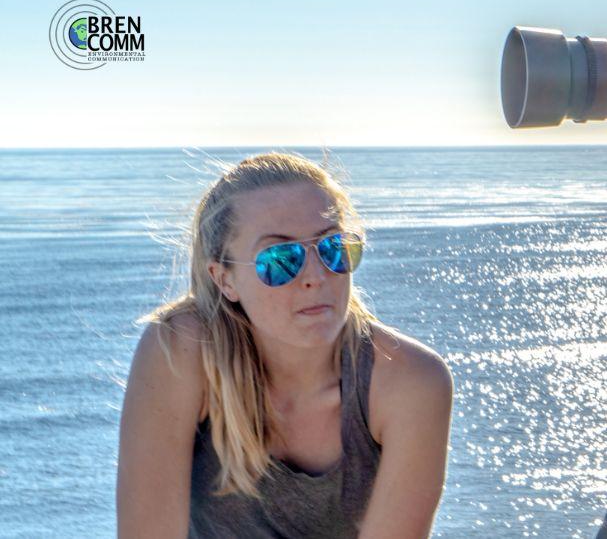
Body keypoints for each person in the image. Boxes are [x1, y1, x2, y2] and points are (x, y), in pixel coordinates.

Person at [117, 153, 453, 538]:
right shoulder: (181, 349)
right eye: (280, 259)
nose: (315, 275)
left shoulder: (408, 382)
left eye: (332, 248)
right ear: (224, 279)